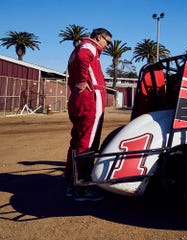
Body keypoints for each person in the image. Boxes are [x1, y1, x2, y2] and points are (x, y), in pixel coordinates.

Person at [65, 28, 112, 201]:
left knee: (76, 142)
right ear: (98, 37)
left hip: (78, 100)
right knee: (88, 143)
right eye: (107, 41)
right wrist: (82, 81)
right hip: (90, 101)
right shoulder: (89, 46)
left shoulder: (77, 48)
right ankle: (82, 187)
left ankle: (71, 181)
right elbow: (84, 57)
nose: (107, 46)